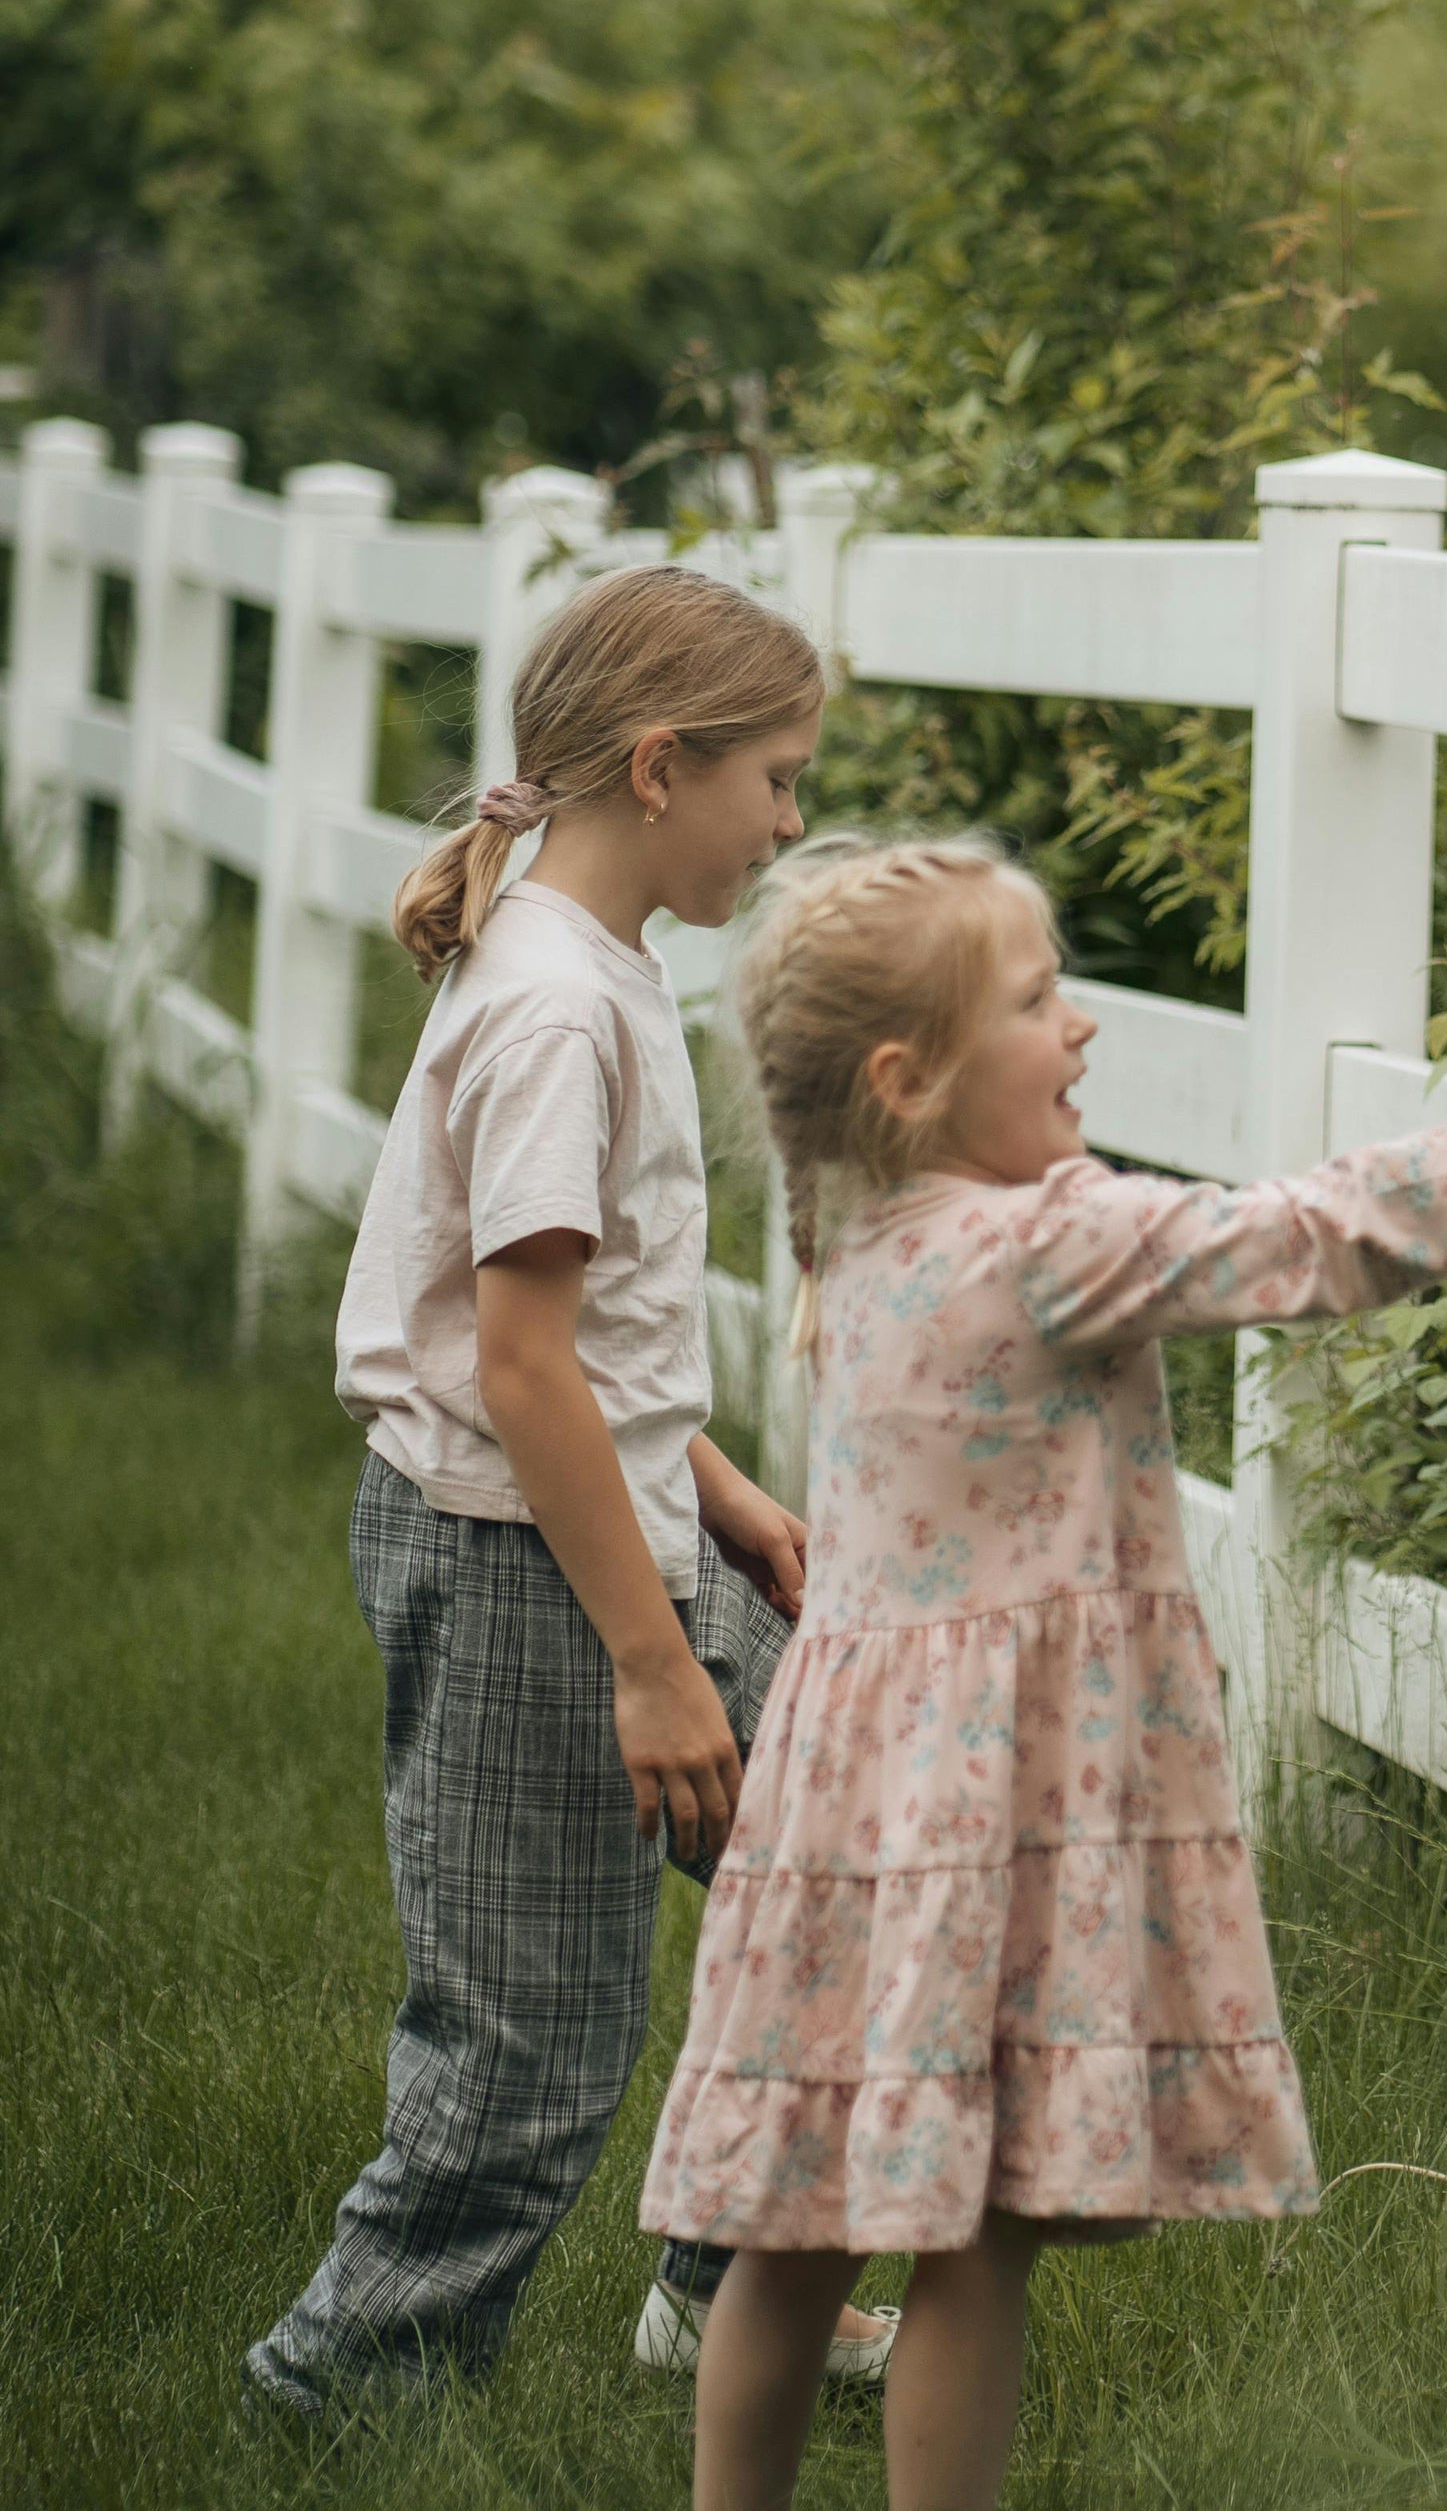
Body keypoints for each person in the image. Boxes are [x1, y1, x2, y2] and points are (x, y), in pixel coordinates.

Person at [644, 832, 1447, 2511]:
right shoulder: (1043, 1247)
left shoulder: (859, 1241)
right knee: (976, 2239)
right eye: (1037, 998)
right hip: (997, 1813)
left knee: (798, 2217)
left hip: (856, 1809)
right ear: (909, 1076)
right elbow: (1318, 1235)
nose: (1078, 1028)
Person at [246, 567, 898, 2418]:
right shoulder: (552, 1010)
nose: (790, 820)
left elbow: (566, 1330)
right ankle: (339, 2394)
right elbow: (516, 1365)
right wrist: (653, 1656)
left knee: (852, 1863)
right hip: (525, 1565)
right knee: (531, 2057)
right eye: (776, 778)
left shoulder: (593, 966)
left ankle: (728, 2292)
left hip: (614, 1527)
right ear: (659, 765)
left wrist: (722, 1494)